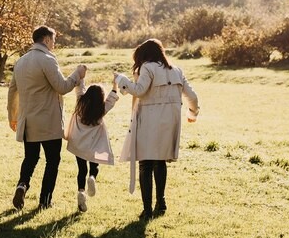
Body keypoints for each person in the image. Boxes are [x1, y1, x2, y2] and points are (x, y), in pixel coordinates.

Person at [115, 38, 199, 220]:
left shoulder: (147, 67)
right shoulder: (176, 70)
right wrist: (192, 114)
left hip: (149, 119)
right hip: (170, 120)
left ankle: (147, 210)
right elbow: (192, 96)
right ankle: (161, 203)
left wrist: (122, 80)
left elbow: (139, 90)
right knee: (160, 161)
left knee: (145, 163)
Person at [8, 25, 87, 210]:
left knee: (30, 158)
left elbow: (12, 90)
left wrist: (13, 116)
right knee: (52, 161)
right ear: (46, 39)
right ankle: (45, 200)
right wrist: (77, 74)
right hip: (48, 121)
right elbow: (62, 87)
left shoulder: (21, 61)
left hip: (27, 121)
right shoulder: (47, 59)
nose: (54, 44)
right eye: (53, 40)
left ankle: (22, 185)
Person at [64, 79, 120, 212]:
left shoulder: (80, 103)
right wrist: (115, 84)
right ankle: (92, 177)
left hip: (79, 145)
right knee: (94, 167)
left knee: (81, 169)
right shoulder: (101, 109)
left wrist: (81, 76)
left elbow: (80, 88)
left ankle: (81, 191)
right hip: (94, 145)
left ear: (87, 95)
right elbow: (112, 98)